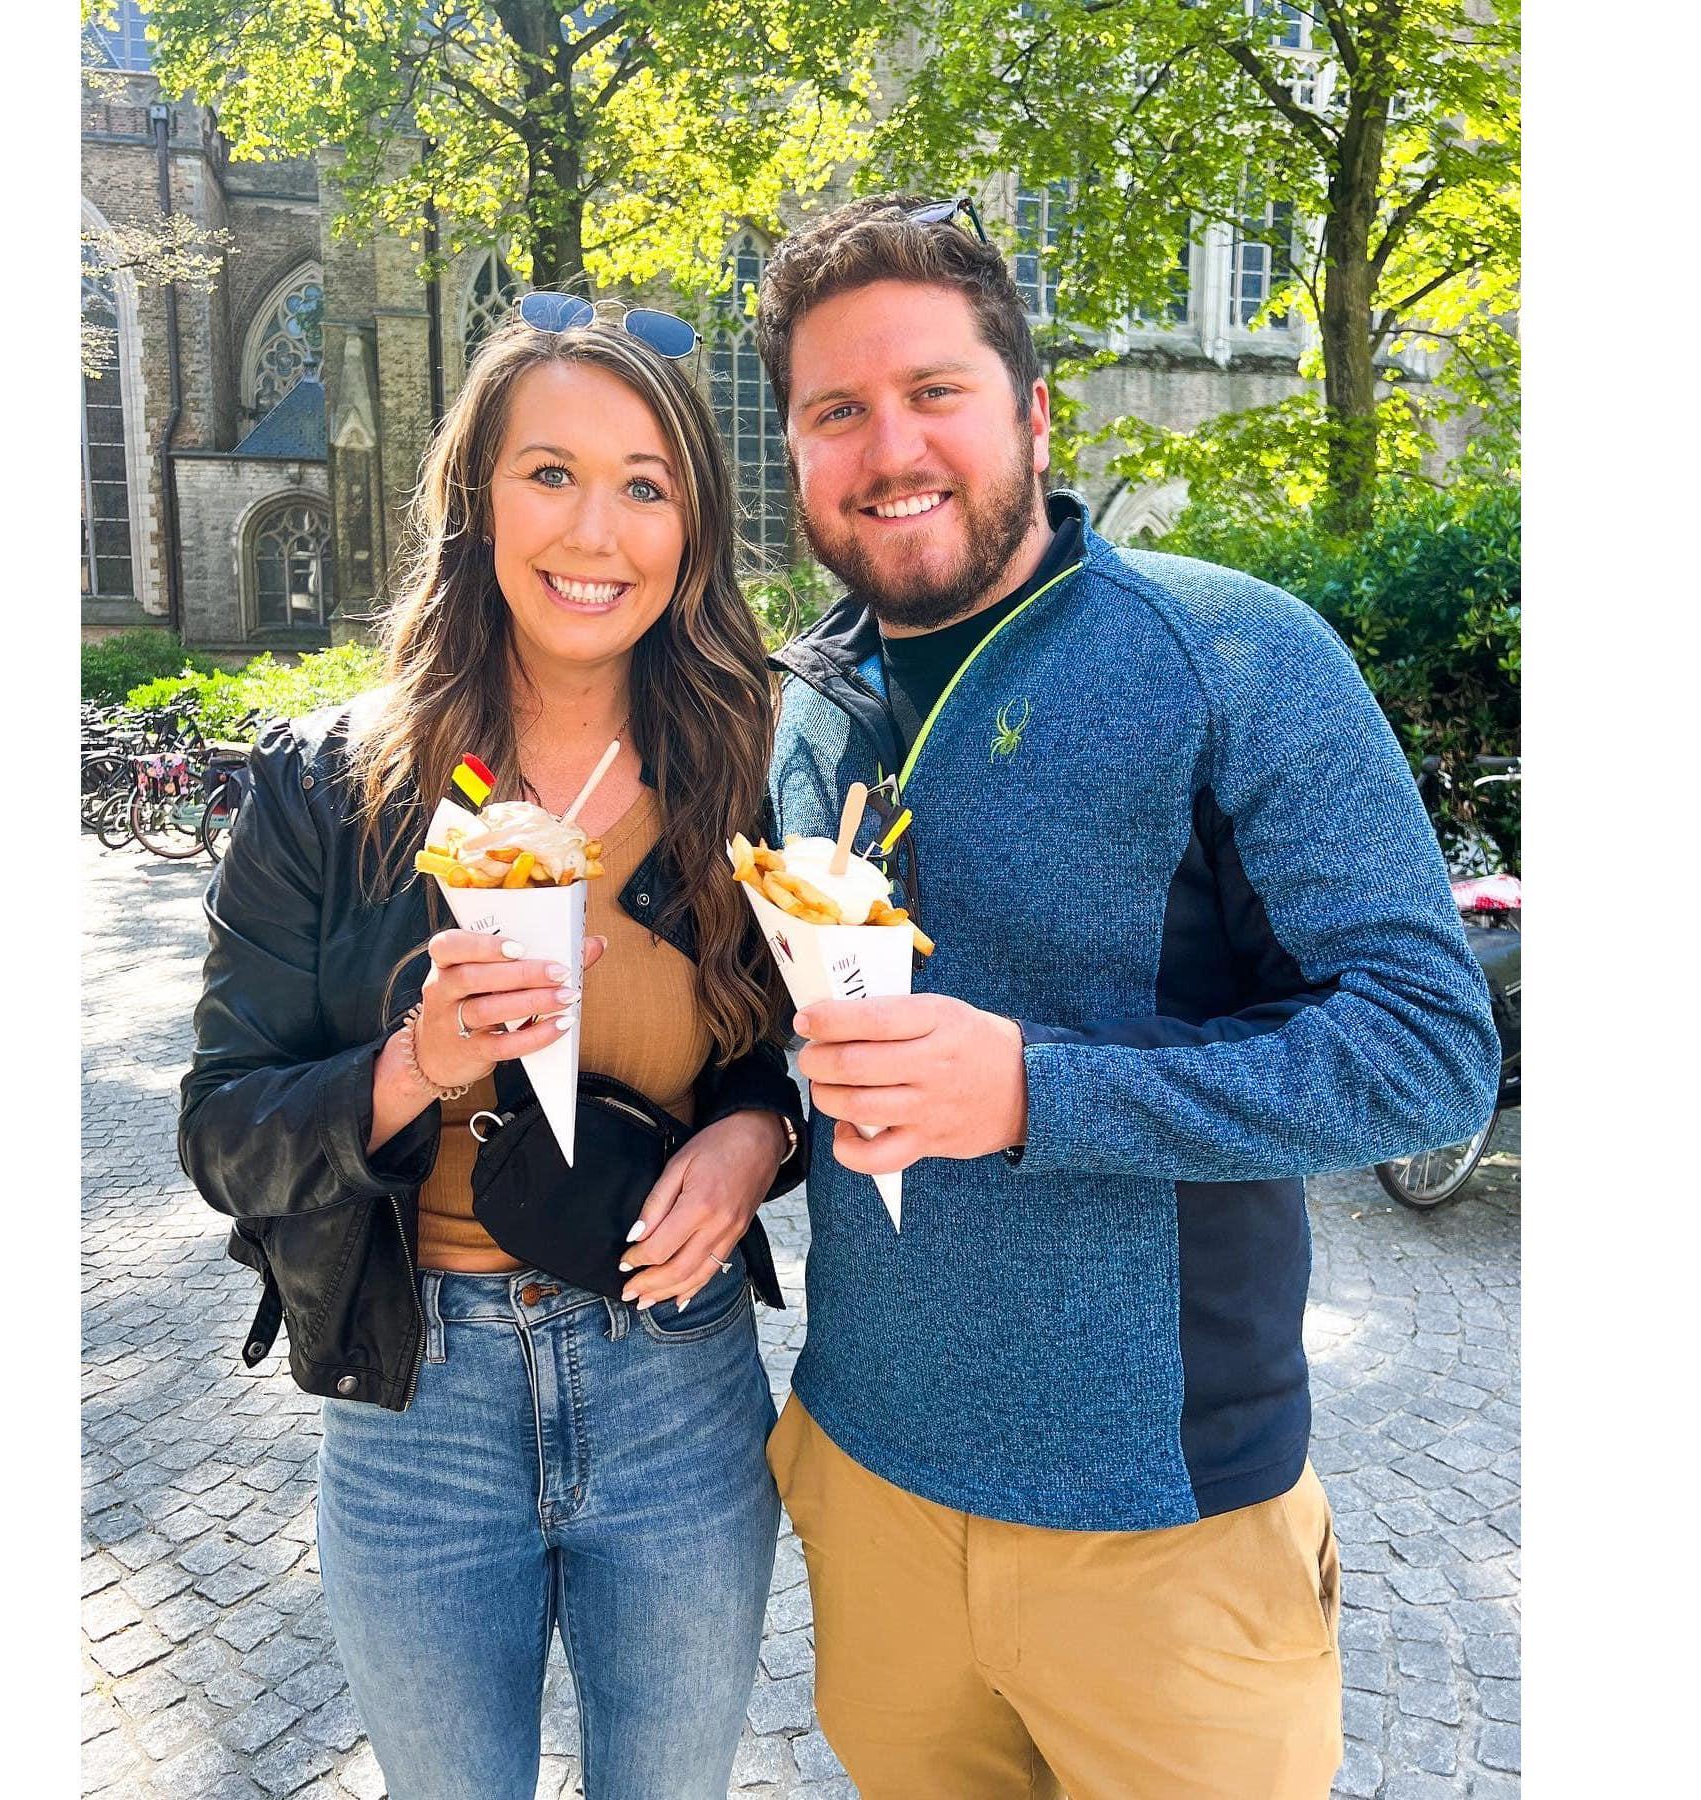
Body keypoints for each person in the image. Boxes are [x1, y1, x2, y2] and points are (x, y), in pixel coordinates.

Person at [751, 196, 1503, 1799]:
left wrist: (1039, 1091)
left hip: (1166, 1526)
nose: (891, 446)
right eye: (838, 410)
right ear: (798, 452)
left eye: (934, 391)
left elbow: (1432, 1053)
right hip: (867, 1476)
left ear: (1030, 409)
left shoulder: (1233, 653)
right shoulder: (799, 712)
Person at [177, 306, 809, 1800]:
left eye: (647, 484)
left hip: (676, 1382)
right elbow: (222, 1130)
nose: (599, 529)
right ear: (476, 498)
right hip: (417, 1406)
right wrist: (411, 1060)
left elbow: (776, 1061)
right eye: (551, 473)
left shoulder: (739, 770)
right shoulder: (334, 787)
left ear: (694, 525)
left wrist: (751, 1140)